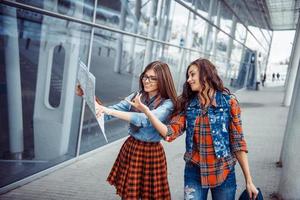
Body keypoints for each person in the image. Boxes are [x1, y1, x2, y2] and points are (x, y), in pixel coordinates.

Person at [128, 58, 259, 200]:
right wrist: (147, 111)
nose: (188, 80)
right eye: (188, 76)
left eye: (192, 75)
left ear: (206, 74)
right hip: (194, 172)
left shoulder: (229, 103)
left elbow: (238, 143)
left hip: (224, 172)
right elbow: (169, 132)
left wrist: (249, 181)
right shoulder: (188, 105)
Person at [77, 61, 177, 200]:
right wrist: (86, 95)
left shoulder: (168, 103)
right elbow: (109, 114)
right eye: (145, 76)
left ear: (163, 81)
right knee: (129, 195)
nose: (146, 81)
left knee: (152, 196)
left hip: (152, 152)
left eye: (153, 78)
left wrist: (106, 109)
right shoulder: (136, 96)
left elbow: (145, 119)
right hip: (132, 148)